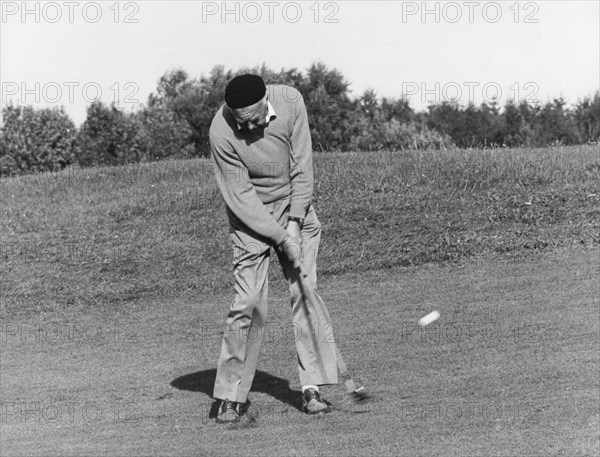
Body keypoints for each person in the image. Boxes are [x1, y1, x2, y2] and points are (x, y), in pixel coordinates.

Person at [209, 74, 338, 423]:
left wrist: (295, 222)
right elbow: (240, 197)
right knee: (248, 302)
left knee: (305, 291)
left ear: (267, 101)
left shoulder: (292, 102)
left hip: (295, 205)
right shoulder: (221, 131)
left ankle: (312, 387)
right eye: (242, 121)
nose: (249, 126)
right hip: (250, 217)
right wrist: (281, 237)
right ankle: (231, 395)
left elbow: (302, 168)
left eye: (254, 117)